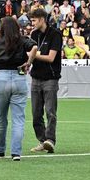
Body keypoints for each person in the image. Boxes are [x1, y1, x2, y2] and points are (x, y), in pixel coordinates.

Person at [0, 16, 36, 161]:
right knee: (18, 119)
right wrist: (28, 62)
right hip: (19, 77)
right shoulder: (22, 40)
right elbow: (34, 46)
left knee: (0, 117)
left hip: (1, 78)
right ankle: (16, 152)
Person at [28, 8, 62, 153]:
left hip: (50, 79)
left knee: (50, 112)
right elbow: (29, 54)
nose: (32, 23)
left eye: (34, 20)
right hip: (35, 77)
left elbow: (50, 58)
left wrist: (34, 55)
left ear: (42, 19)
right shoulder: (33, 35)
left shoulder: (55, 34)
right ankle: (43, 141)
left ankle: (50, 140)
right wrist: (27, 63)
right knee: (36, 114)